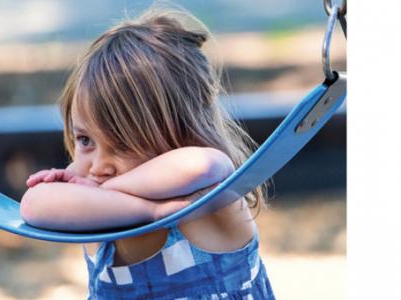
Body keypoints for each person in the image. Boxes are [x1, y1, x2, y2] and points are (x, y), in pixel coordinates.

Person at [20, 7, 275, 300]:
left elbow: (205, 164)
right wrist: (143, 209)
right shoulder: (95, 205)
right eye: (86, 140)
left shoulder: (209, 201)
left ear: (183, 134)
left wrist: (117, 195)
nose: (99, 167)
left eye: (123, 144)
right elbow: (32, 205)